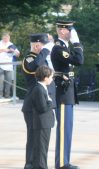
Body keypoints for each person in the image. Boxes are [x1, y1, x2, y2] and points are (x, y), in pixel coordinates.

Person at [51, 20, 84, 169]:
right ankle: (62, 164)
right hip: (63, 94)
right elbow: (79, 60)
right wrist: (76, 43)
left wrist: (75, 44)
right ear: (62, 31)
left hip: (68, 93)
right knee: (64, 130)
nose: (72, 32)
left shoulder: (64, 47)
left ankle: (65, 161)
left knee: (68, 129)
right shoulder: (59, 49)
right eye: (70, 30)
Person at [21, 33, 54, 169]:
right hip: (32, 105)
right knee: (33, 137)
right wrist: (46, 51)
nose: (45, 49)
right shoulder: (29, 58)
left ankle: (36, 164)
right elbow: (36, 68)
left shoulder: (39, 58)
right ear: (36, 45)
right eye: (42, 46)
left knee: (39, 139)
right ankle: (30, 164)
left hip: (40, 103)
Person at [30, 65, 55, 169]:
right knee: (41, 149)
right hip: (42, 124)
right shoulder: (39, 89)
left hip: (44, 123)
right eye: (51, 77)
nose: (52, 79)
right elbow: (42, 108)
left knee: (43, 148)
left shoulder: (43, 88)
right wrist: (50, 102)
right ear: (45, 78)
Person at [0, 32, 20, 98]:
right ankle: (0, 96)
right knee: (1, 82)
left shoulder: (11, 44)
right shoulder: (0, 43)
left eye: (7, 38)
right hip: (1, 65)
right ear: (2, 37)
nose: (6, 39)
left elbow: (18, 54)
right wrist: (4, 50)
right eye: (4, 37)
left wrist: (14, 51)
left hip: (9, 66)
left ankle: (7, 95)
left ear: (9, 38)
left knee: (8, 82)